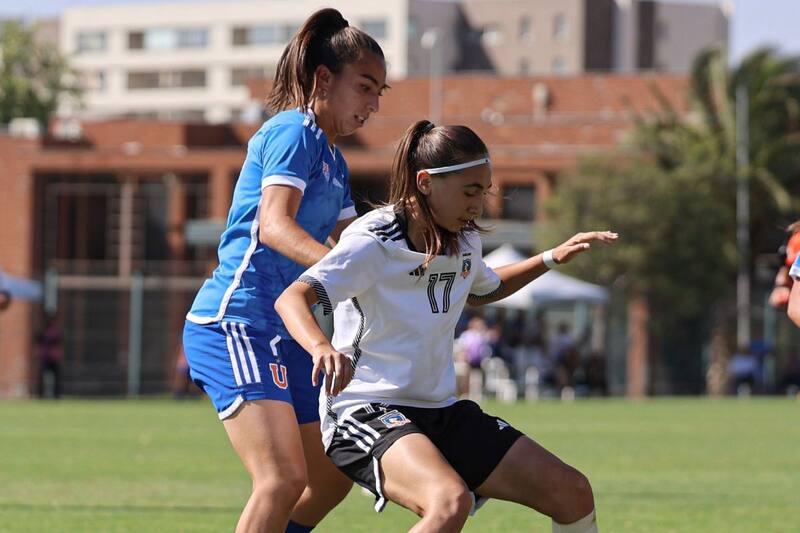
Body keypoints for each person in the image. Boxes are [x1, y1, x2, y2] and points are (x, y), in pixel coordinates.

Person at [275, 120, 617, 532]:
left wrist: (548, 259)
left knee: (572, 491)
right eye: (470, 191)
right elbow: (292, 297)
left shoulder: (463, 239)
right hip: (364, 409)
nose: (479, 204)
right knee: (448, 502)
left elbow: (484, 289)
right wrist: (320, 346)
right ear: (425, 183)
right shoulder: (374, 240)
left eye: (484, 191)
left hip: (439, 409)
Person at [182, 9, 387, 533]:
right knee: (279, 479)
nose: (373, 104)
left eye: (380, 92)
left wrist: (414, 255)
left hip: (286, 333)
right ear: (324, 79)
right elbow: (274, 226)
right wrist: (342, 269)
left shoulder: (335, 161)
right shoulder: (294, 132)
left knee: (332, 474)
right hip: (237, 322)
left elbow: (355, 244)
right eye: (365, 87)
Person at [35, 314, 63, 398]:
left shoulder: (56, 332)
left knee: (56, 378)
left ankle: (56, 395)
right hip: (45, 357)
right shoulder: (42, 331)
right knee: (42, 377)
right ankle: (40, 395)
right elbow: (37, 341)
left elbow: (60, 342)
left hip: (53, 357)